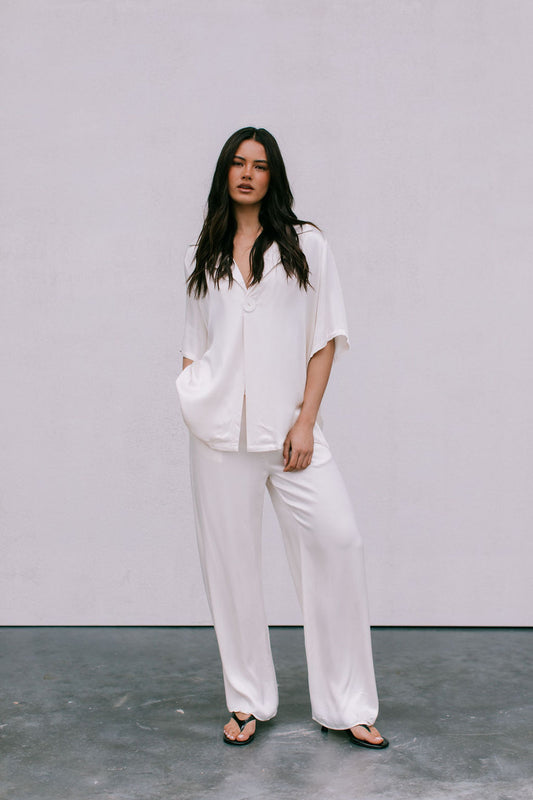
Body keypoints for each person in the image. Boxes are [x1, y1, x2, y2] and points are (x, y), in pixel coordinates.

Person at [176, 127, 388, 749]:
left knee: (338, 541)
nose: (248, 173)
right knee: (231, 567)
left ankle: (348, 703)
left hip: (289, 429)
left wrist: (305, 420)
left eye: (260, 165)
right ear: (225, 173)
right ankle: (248, 701)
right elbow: (194, 345)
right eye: (238, 163)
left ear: (274, 176)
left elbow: (324, 338)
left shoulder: (306, 246)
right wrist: (193, 395)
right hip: (217, 435)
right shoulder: (204, 251)